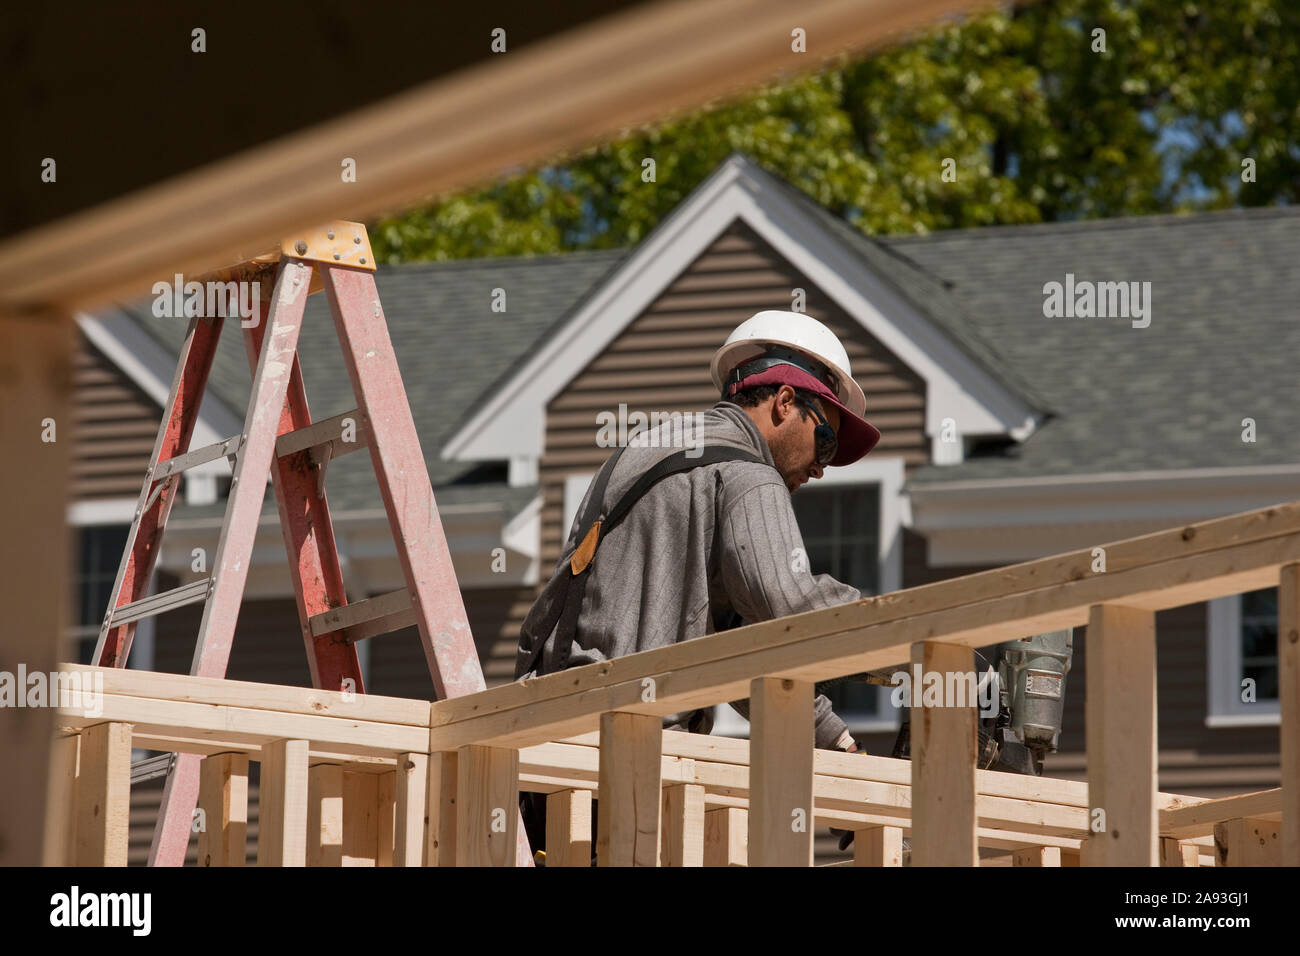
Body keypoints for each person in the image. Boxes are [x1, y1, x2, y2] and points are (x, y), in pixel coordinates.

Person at [514, 310, 883, 862]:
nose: (822, 469)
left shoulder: (645, 451)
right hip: (633, 773)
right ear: (785, 403)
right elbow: (790, 605)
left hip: (554, 763)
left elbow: (737, 647)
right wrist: (919, 646)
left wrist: (836, 744)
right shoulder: (747, 474)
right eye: (824, 441)